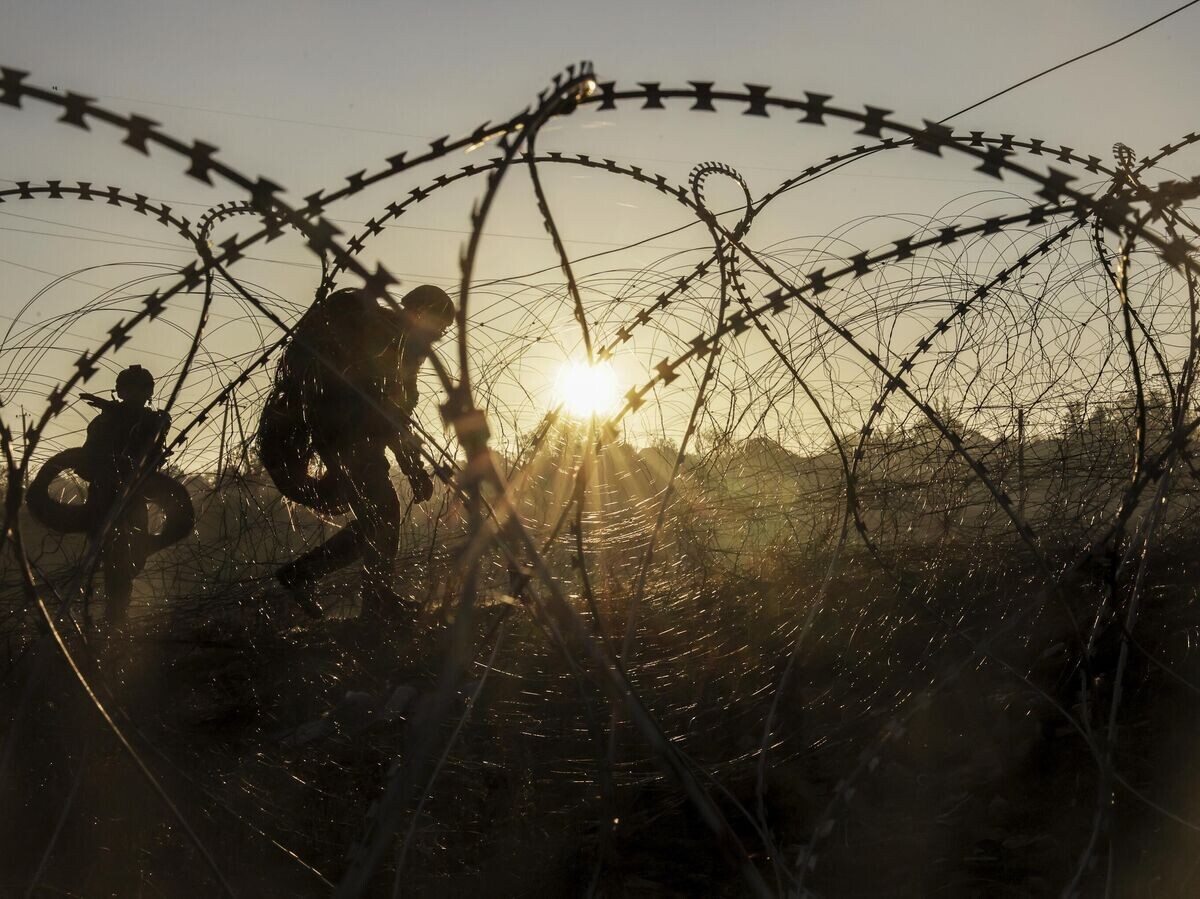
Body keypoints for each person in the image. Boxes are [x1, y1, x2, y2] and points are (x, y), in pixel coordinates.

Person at [274, 284, 454, 620]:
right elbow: (389, 412)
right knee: (383, 513)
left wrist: (410, 462)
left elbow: (394, 415)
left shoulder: (393, 338)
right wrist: (411, 466)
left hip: (348, 437)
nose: (440, 335)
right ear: (421, 314)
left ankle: (318, 579)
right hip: (347, 438)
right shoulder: (388, 338)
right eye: (439, 325)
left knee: (377, 518)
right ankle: (371, 600)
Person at [79, 365, 172, 627]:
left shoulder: (153, 422)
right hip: (105, 499)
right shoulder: (104, 422)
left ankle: (115, 615)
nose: (134, 395)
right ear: (120, 392)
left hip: (133, 499)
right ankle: (111, 617)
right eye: (130, 389)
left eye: (140, 390)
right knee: (109, 558)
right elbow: (86, 465)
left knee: (131, 558)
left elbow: (153, 459)